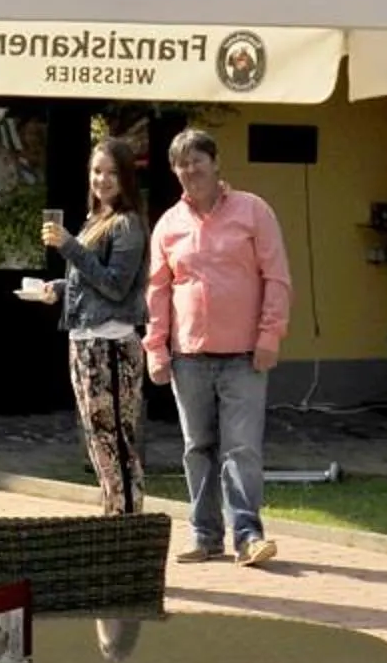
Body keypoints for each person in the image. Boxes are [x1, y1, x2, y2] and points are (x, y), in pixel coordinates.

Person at [145, 127, 291, 569]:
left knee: (241, 447)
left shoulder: (253, 211)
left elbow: (277, 278)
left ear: (215, 162)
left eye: (197, 160)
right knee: (198, 447)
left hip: (245, 355)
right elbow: (156, 290)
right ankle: (205, 535)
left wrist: (270, 336)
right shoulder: (169, 224)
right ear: (174, 171)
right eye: (182, 163)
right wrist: (156, 349)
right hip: (189, 356)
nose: (191, 170)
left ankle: (248, 535)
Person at [40, 137, 148, 514]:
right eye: (97, 171)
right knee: (97, 440)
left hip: (112, 347)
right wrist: (55, 288)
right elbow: (91, 280)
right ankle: (113, 514)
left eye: (112, 173)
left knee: (116, 440)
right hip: (85, 342)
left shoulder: (127, 224)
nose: (102, 179)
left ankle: (128, 524)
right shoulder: (96, 220)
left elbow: (116, 286)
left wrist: (69, 246)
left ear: (126, 178)